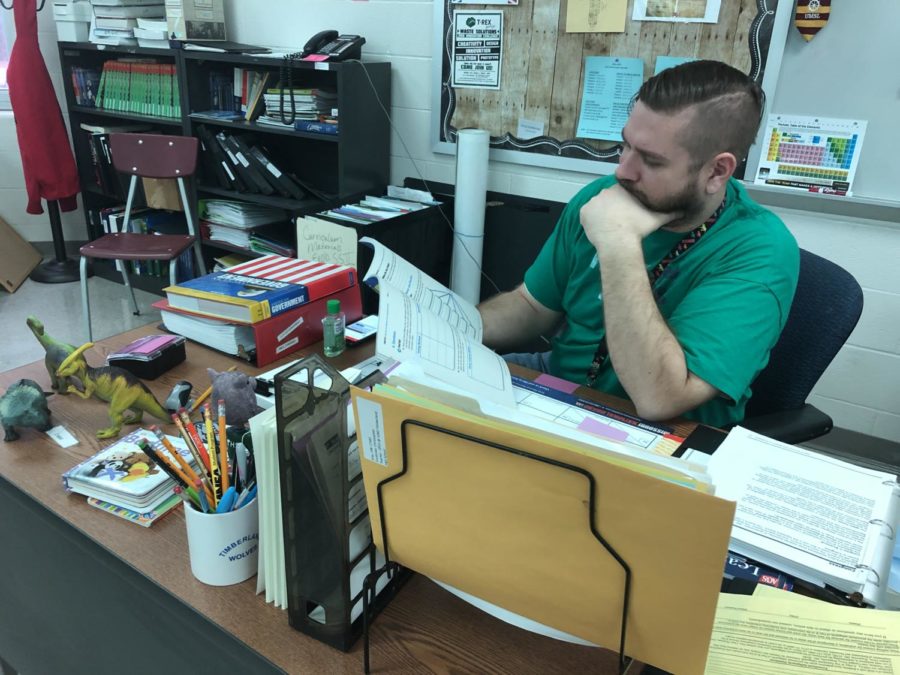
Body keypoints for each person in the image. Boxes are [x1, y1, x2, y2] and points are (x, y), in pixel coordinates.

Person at [478, 60, 799, 428]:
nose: (623, 171)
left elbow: (660, 398)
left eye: (651, 160)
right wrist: (450, 327)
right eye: (625, 145)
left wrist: (618, 243)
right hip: (562, 386)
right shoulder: (602, 197)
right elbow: (530, 305)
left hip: (661, 430)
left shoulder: (759, 249)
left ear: (717, 171)